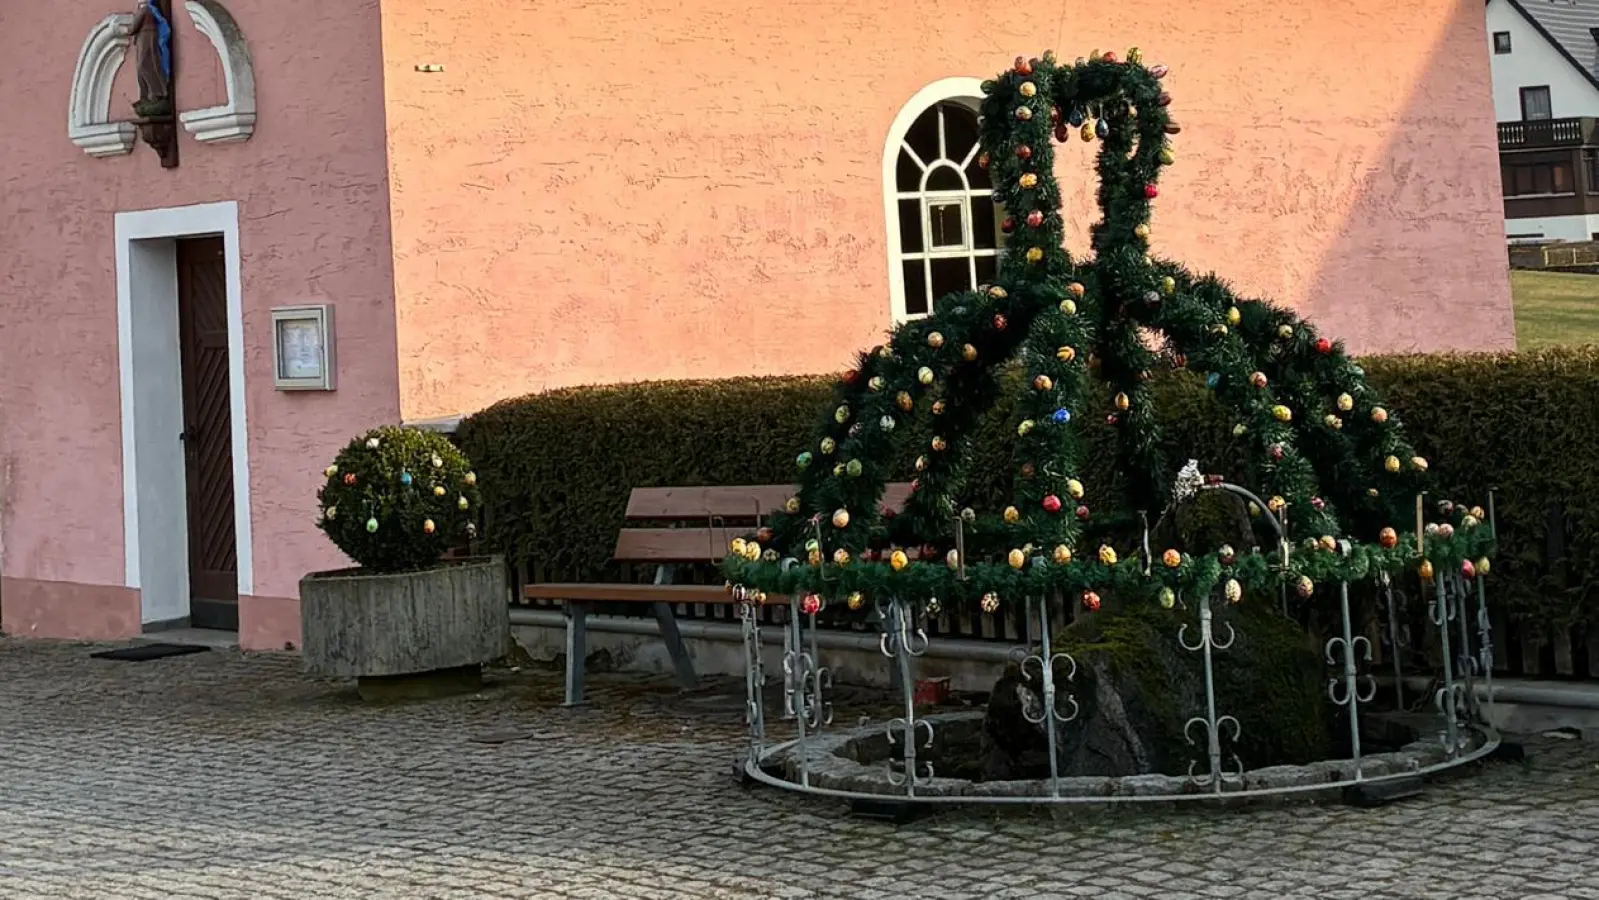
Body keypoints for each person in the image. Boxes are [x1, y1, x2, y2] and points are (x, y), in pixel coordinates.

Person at [127, 0, 173, 118]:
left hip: (146, 38)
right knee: (144, 66)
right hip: (145, 37)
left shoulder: (145, 10)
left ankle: (155, 94)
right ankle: (148, 95)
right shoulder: (146, 9)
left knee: (145, 65)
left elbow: (132, 28)